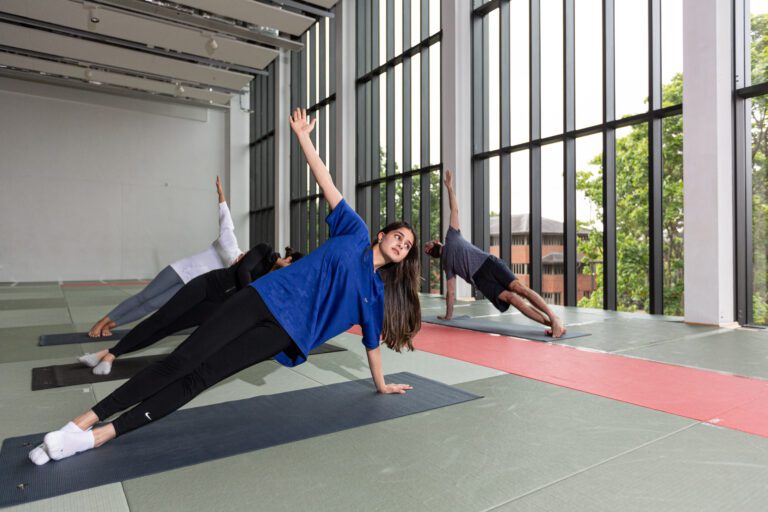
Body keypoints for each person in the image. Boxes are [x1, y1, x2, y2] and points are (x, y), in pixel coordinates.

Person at [31, 108, 421, 465]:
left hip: (283, 333)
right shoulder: (354, 230)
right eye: (399, 236)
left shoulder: (374, 294)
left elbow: (372, 345)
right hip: (261, 297)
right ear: (383, 233)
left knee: (201, 379)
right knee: (182, 360)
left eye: (407, 247)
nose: (401, 244)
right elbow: (327, 180)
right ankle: (84, 420)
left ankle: (99, 436)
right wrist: (304, 137)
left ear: (403, 258)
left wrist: (382, 384)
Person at [77, 245, 304, 376]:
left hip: (216, 306)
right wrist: (250, 294)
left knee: (168, 329)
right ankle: (112, 355)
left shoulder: (273, 281)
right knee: (161, 318)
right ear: (289, 259)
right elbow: (243, 270)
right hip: (205, 286)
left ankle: (106, 354)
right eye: (293, 267)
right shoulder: (265, 250)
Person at [87, 176, 243, 338]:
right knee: (145, 296)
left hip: (188, 285)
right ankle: (101, 321)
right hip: (179, 270)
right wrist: (220, 194)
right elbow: (225, 217)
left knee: (152, 305)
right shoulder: (230, 242)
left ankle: (111, 324)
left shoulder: (235, 272)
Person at [424, 170, 566, 338]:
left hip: (485, 271)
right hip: (485, 272)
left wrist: (448, 315)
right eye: (429, 244)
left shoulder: (449, 252)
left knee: (517, 294)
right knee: (518, 293)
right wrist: (449, 188)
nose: (430, 243)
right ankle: (554, 321)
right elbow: (454, 209)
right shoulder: (450, 244)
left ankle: (553, 320)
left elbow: (451, 292)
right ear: (437, 244)